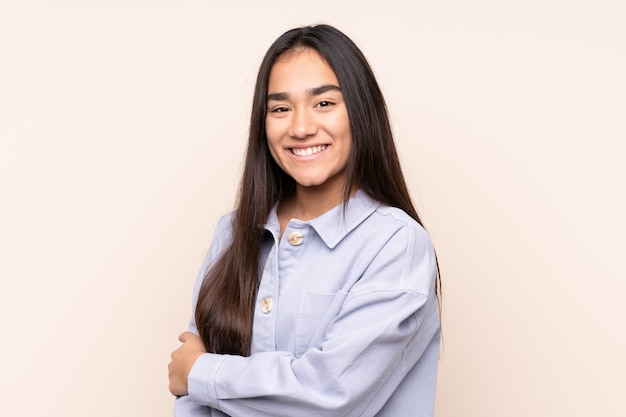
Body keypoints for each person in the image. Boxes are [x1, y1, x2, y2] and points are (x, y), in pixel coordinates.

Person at [168, 24, 441, 417]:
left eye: (324, 103)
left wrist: (201, 373)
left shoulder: (396, 244)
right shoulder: (232, 233)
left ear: (361, 112)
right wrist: (196, 378)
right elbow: (191, 401)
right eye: (280, 108)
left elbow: (329, 397)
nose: (300, 127)